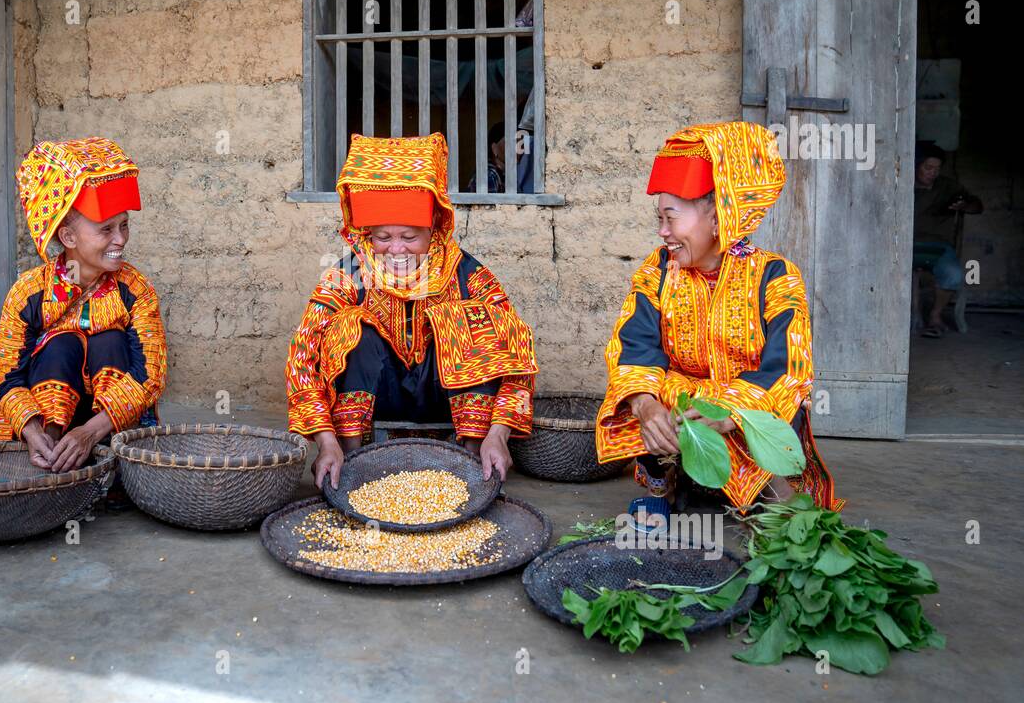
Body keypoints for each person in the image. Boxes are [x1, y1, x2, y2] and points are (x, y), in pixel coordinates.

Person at [595, 121, 842, 521]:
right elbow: (634, 346)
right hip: (685, 401)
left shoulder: (775, 276)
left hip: (742, 406)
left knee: (786, 400)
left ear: (719, 215)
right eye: (659, 218)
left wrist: (729, 409)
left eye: (671, 217)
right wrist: (644, 406)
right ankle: (663, 483)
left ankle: (773, 486)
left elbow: (788, 369)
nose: (662, 232)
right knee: (639, 391)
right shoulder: (657, 271)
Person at [286, 132, 538, 489]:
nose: (396, 250)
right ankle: (351, 456)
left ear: (433, 228)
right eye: (383, 237)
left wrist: (499, 433)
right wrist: (324, 441)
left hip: (444, 399)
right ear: (367, 233)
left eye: (409, 236)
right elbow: (302, 357)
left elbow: (519, 358)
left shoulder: (467, 273)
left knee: (474, 320)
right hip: (378, 398)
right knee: (349, 326)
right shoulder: (350, 273)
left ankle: (472, 452)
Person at [0, 137, 167, 475]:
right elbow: (8, 382)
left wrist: (89, 433)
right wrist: (33, 431)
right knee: (61, 345)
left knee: (108, 341)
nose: (121, 239)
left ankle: (112, 463)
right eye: (106, 230)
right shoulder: (28, 294)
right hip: (47, 431)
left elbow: (149, 377)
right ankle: (52, 452)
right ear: (69, 238)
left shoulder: (135, 289)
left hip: (107, 429)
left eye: (124, 225)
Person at [912, 143, 981, 338]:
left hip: (938, 247)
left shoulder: (948, 186)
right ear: (916, 165)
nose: (933, 173)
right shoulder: (901, 181)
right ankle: (908, 318)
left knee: (953, 274)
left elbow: (977, 205)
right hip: (903, 247)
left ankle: (935, 316)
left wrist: (966, 205)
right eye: (928, 168)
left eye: (937, 169)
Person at [465, 121, 535, 194]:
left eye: (521, 144)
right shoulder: (489, 176)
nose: (518, 149)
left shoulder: (506, 175)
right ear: (494, 149)